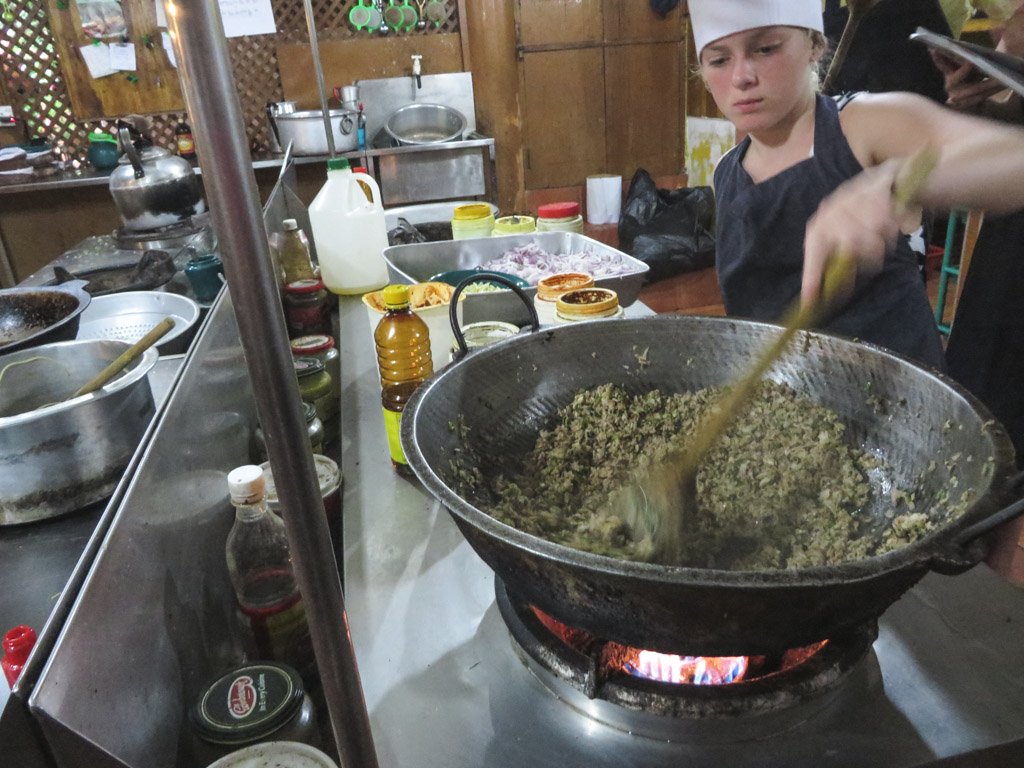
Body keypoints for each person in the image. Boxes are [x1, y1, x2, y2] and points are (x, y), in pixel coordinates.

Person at [687, 0, 1024, 370]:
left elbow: (1013, 159)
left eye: (765, 49)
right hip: (782, 408)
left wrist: (897, 181)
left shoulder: (865, 126)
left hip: (898, 407)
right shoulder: (726, 173)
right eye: (719, 60)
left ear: (815, 45)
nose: (741, 77)